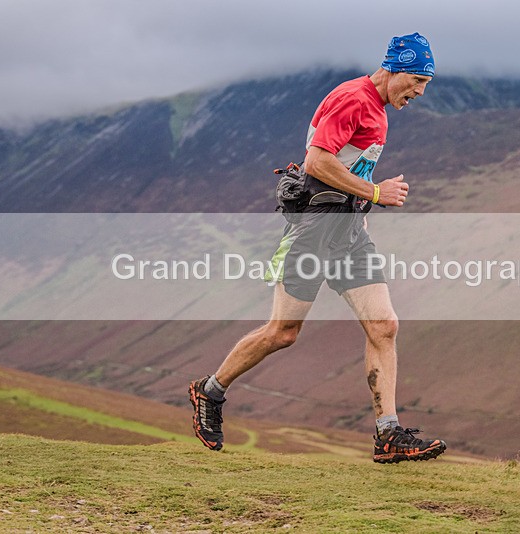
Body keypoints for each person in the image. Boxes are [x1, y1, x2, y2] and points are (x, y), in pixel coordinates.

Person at [189, 32, 446, 464]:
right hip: (313, 231)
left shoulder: (377, 109)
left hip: (348, 233)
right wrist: (376, 192)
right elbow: (317, 160)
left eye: (426, 84)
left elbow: (346, 166)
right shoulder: (354, 98)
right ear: (394, 69)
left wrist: (361, 206)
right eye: (418, 80)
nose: (420, 92)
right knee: (283, 333)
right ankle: (209, 391)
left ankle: (387, 434)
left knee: (384, 326)